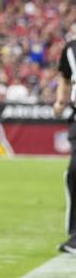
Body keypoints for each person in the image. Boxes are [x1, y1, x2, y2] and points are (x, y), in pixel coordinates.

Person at [53, 37, 76, 255]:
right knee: (74, 173)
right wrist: (61, 100)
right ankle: (75, 234)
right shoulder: (71, 48)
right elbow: (65, 77)